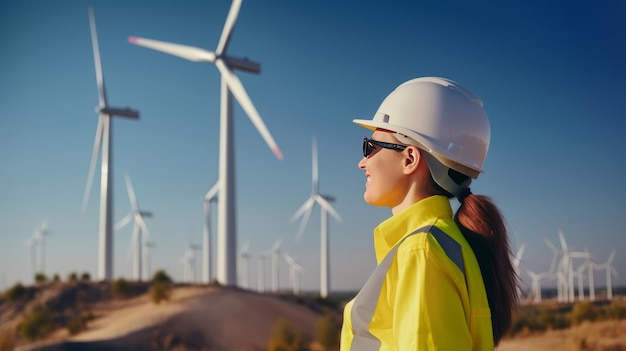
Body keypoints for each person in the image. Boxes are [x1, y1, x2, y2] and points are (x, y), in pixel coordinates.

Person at [340, 77, 519, 350]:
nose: (362, 161)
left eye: (371, 146)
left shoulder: (422, 251)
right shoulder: (437, 245)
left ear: (410, 158)